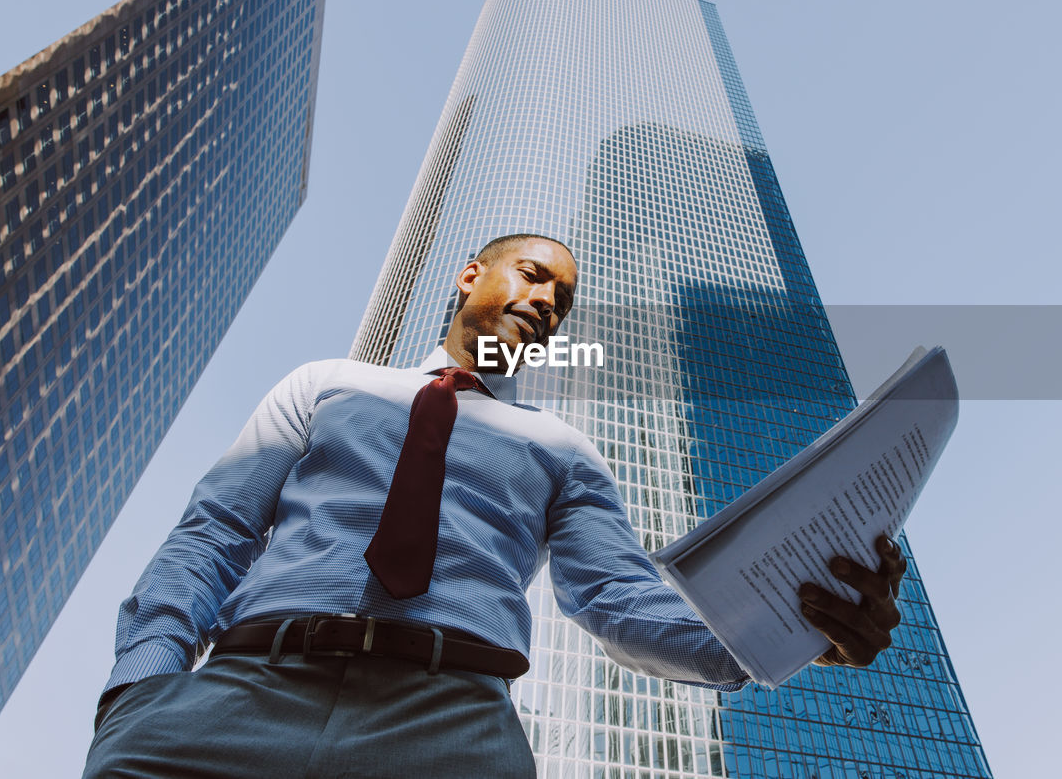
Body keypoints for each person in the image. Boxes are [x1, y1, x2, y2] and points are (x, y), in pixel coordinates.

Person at [83, 233, 907, 778]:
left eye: (563, 301)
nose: (548, 302)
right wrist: (139, 686)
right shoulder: (326, 383)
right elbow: (214, 535)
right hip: (239, 697)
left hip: (449, 730)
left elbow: (617, 600)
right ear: (471, 275)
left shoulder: (562, 447)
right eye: (536, 276)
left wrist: (787, 635)